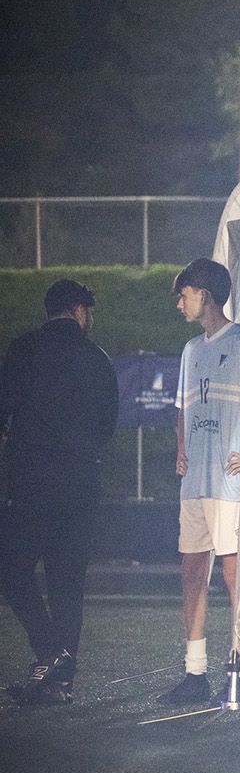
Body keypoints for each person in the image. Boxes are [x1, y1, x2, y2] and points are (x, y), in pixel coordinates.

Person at [0, 279, 119, 705]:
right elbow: (108, 425)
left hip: (30, 482)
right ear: (78, 310)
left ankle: (50, 653)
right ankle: (60, 677)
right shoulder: (97, 357)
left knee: (13, 571)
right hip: (80, 483)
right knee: (68, 582)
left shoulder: (23, 349)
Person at [161, 258, 240, 704]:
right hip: (195, 480)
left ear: (205, 295)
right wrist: (181, 450)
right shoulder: (191, 350)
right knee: (192, 572)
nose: (180, 303)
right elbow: (183, 408)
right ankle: (195, 673)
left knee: (235, 575)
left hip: (230, 483)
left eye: (184, 294)